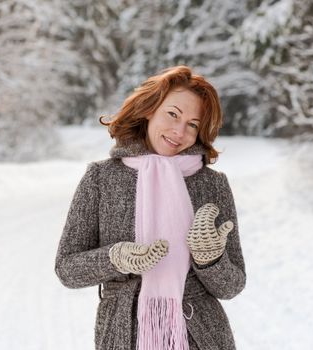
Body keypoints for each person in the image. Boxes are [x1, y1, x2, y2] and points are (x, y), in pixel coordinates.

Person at [55, 65, 246, 350]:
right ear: (149, 109)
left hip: (202, 337)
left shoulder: (212, 184)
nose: (179, 131)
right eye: (173, 114)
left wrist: (211, 260)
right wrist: (115, 258)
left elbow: (232, 286)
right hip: (123, 337)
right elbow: (67, 270)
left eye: (193, 124)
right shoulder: (102, 178)